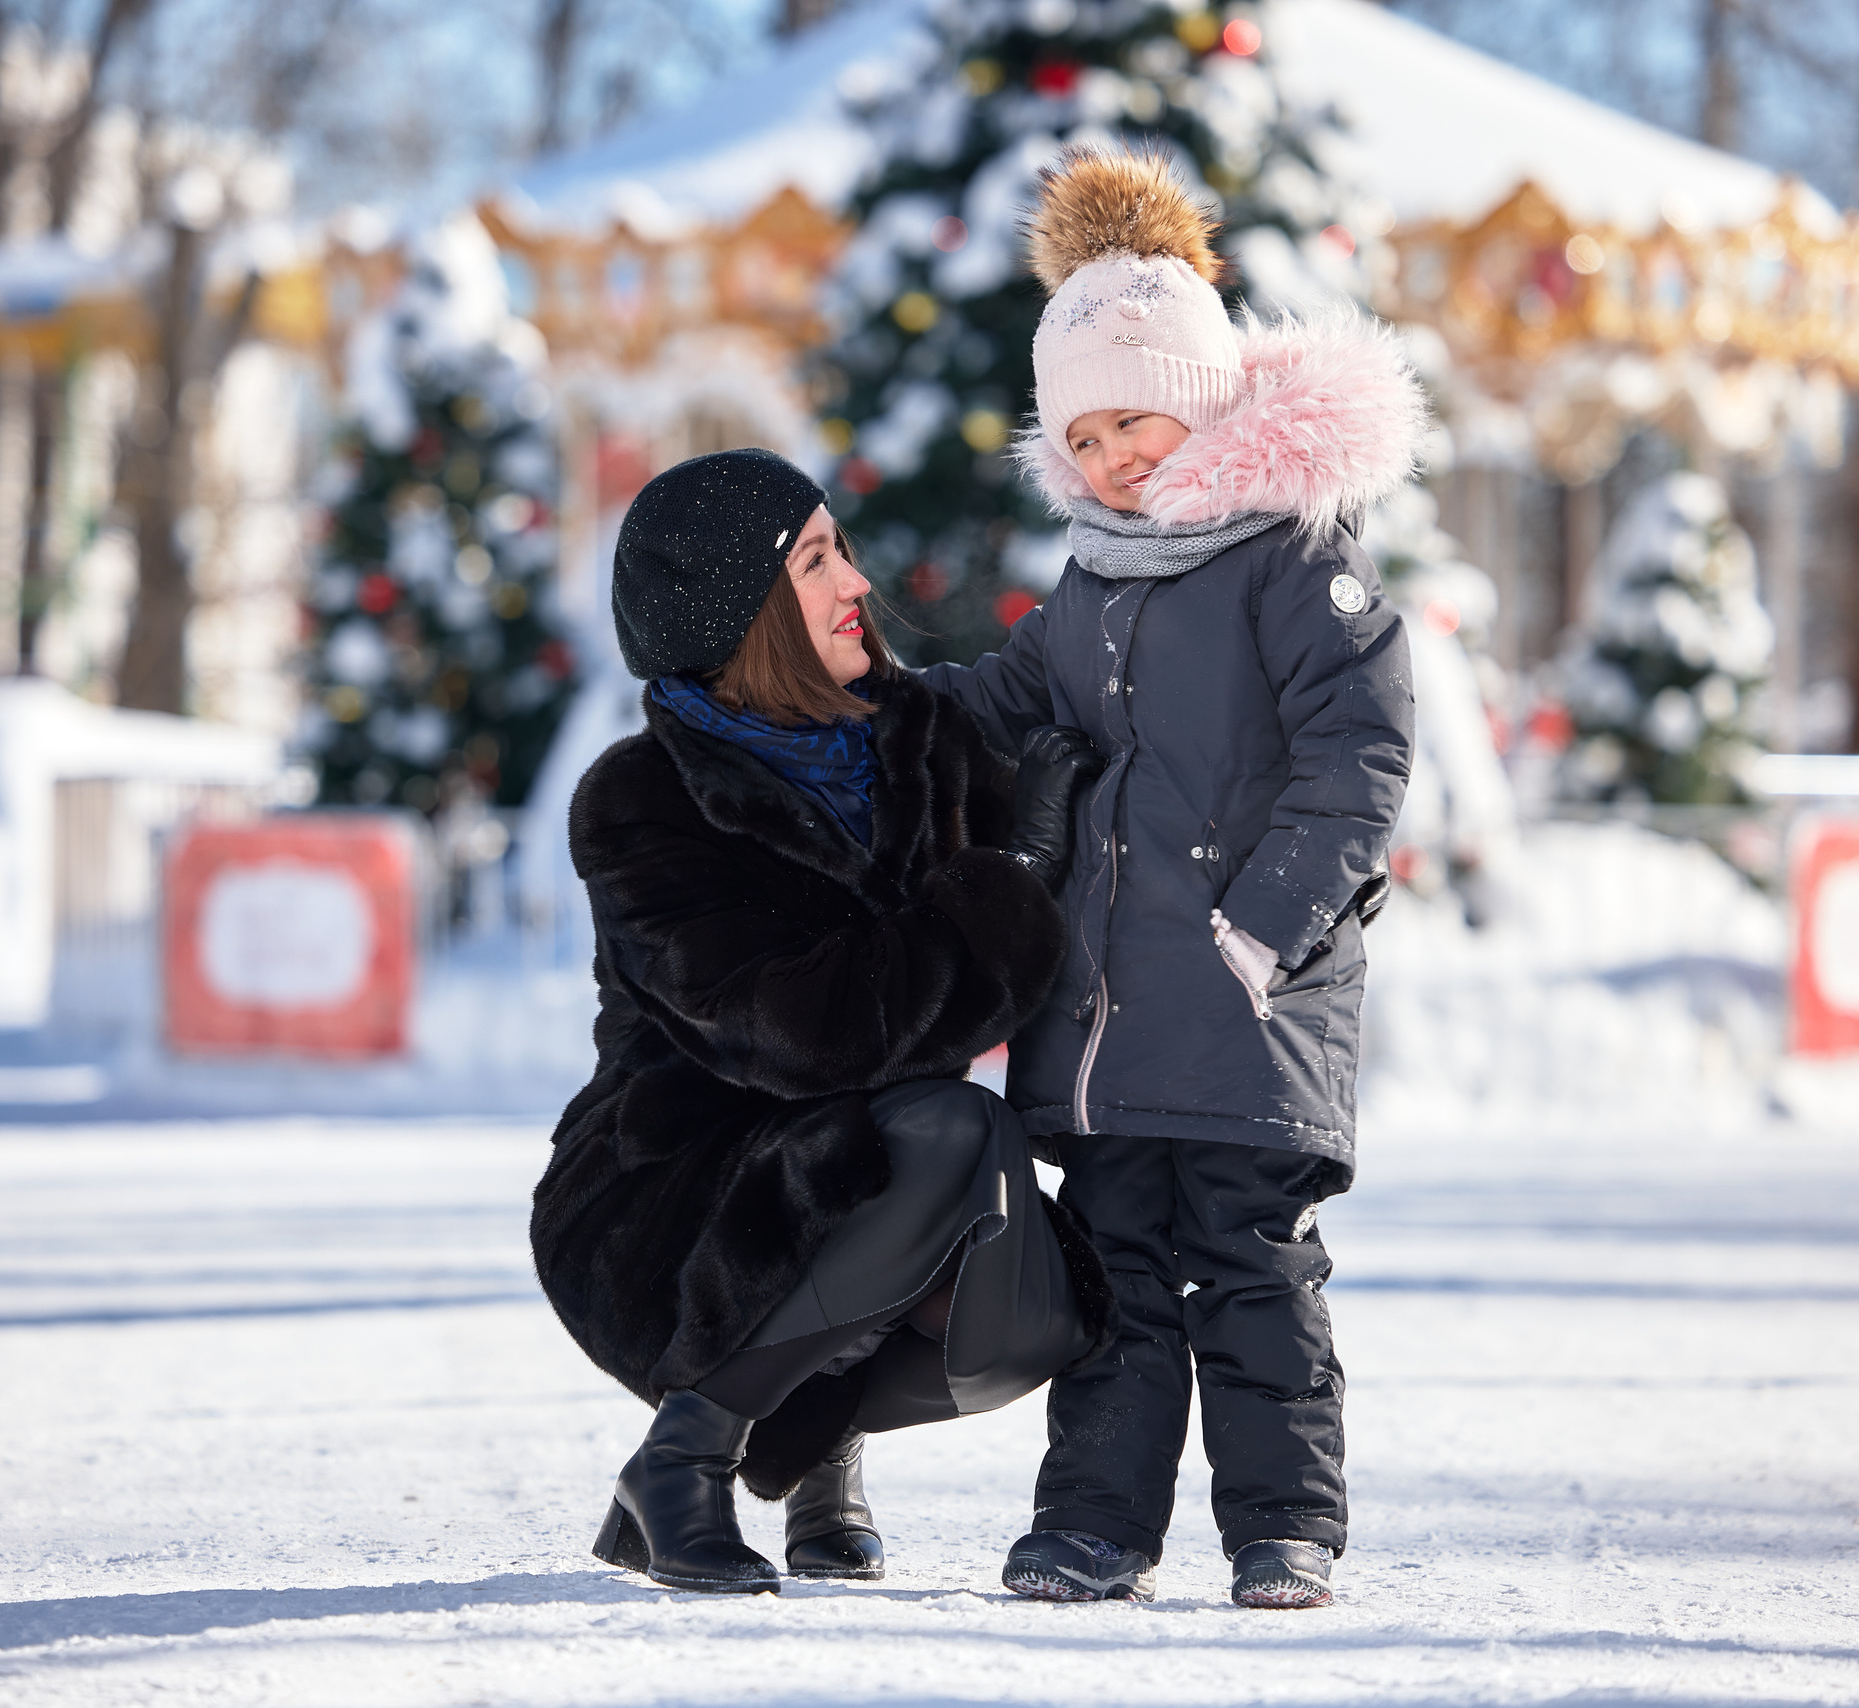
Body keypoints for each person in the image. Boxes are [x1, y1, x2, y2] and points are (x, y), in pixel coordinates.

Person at [916, 149, 1425, 1609]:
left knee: (1251, 1269)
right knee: (1114, 1280)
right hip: (1111, 1016)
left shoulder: (1291, 557)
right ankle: (1093, 1525)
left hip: (1248, 1002)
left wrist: (1262, 931)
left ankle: (1283, 1526)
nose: (1109, 457)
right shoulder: (1095, 579)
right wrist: (864, 709)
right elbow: (997, 703)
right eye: (1080, 435)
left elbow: (1360, 753)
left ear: (1199, 398)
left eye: (1131, 418)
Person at [533, 448, 1117, 1594]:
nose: (857, 581)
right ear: (742, 607)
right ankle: (683, 1459)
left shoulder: (921, 743)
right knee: (943, 1129)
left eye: (841, 548)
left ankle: (811, 1440)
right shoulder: (644, 800)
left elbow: (1087, 873)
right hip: (676, 1199)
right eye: (814, 561)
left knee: (1040, 1305)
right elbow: (809, 1033)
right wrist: (1009, 880)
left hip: (869, 1168)